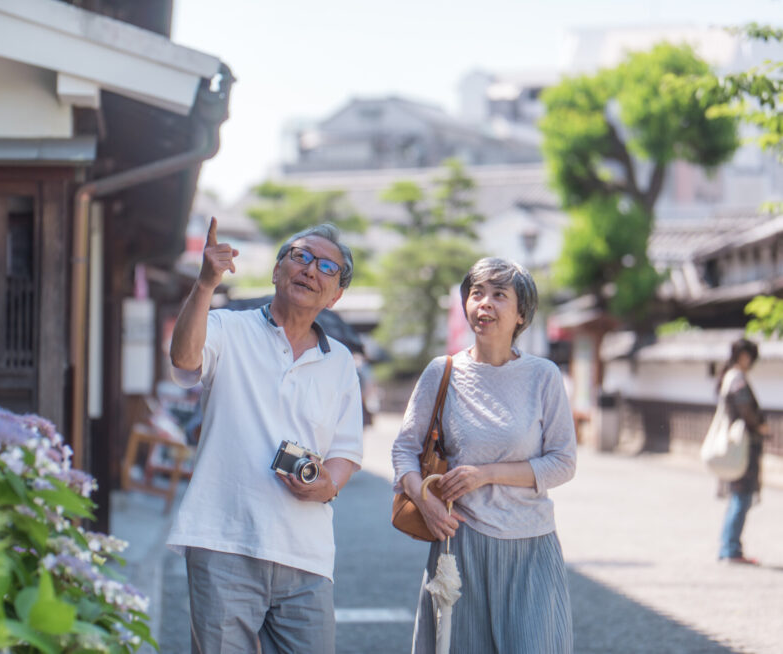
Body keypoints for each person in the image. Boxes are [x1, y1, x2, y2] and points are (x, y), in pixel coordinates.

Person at [168, 218, 363, 654]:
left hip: (305, 551)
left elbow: (347, 450)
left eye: (327, 268)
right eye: (300, 257)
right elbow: (184, 357)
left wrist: (328, 484)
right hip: (222, 539)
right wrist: (204, 285)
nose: (311, 270)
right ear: (277, 271)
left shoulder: (341, 362)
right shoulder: (227, 327)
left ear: (337, 295)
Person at [392, 257, 577, 653]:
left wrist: (487, 473)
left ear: (522, 313)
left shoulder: (543, 376)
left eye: (498, 295)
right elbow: (405, 449)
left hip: (531, 546)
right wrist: (424, 500)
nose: (484, 304)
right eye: (476, 293)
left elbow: (563, 461)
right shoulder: (442, 372)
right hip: (461, 544)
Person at [715, 338, 769, 565]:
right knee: (741, 495)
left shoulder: (728, 376)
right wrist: (758, 424)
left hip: (737, 443)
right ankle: (731, 547)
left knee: (738, 495)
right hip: (742, 444)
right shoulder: (736, 379)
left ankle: (729, 546)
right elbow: (745, 407)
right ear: (744, 356)